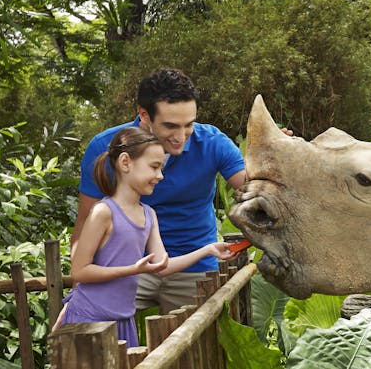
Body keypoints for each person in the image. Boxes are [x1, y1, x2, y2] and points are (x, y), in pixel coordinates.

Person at [74, 68, 251, 314]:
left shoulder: (212, 143)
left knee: (197, 348)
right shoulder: (105, 147)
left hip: (194, 266)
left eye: (188, 125)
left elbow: (251, 190)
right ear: (144, 115)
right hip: (127, 268)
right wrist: (80, 286)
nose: (181, 137)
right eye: (171, 126)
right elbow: (85, 222)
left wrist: (274, 159)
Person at [56, 127, 235, 345]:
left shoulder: (149, 215)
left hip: (123, 320)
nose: (160, 176)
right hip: (90, 318)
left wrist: (207, 250)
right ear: (125, 163)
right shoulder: (103, 212)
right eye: (154, 167)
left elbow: (162, 266)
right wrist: (133, 270)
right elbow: (80, 270)